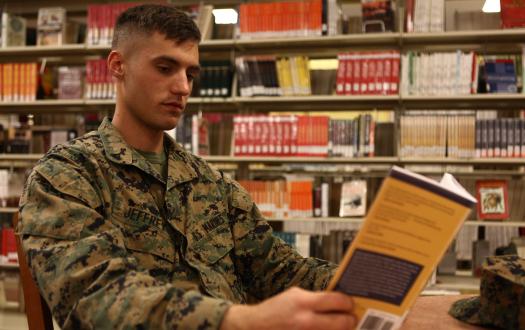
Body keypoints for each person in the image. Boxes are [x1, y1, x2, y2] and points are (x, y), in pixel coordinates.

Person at [18, 4, 356, 329]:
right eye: (165, 69)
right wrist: (242, 321)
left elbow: (283, 271)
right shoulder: (67, 176)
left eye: (190, 74)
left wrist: (373, 287)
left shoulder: (211, 184)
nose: (183, 88)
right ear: (118, 65)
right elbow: (97, 299)